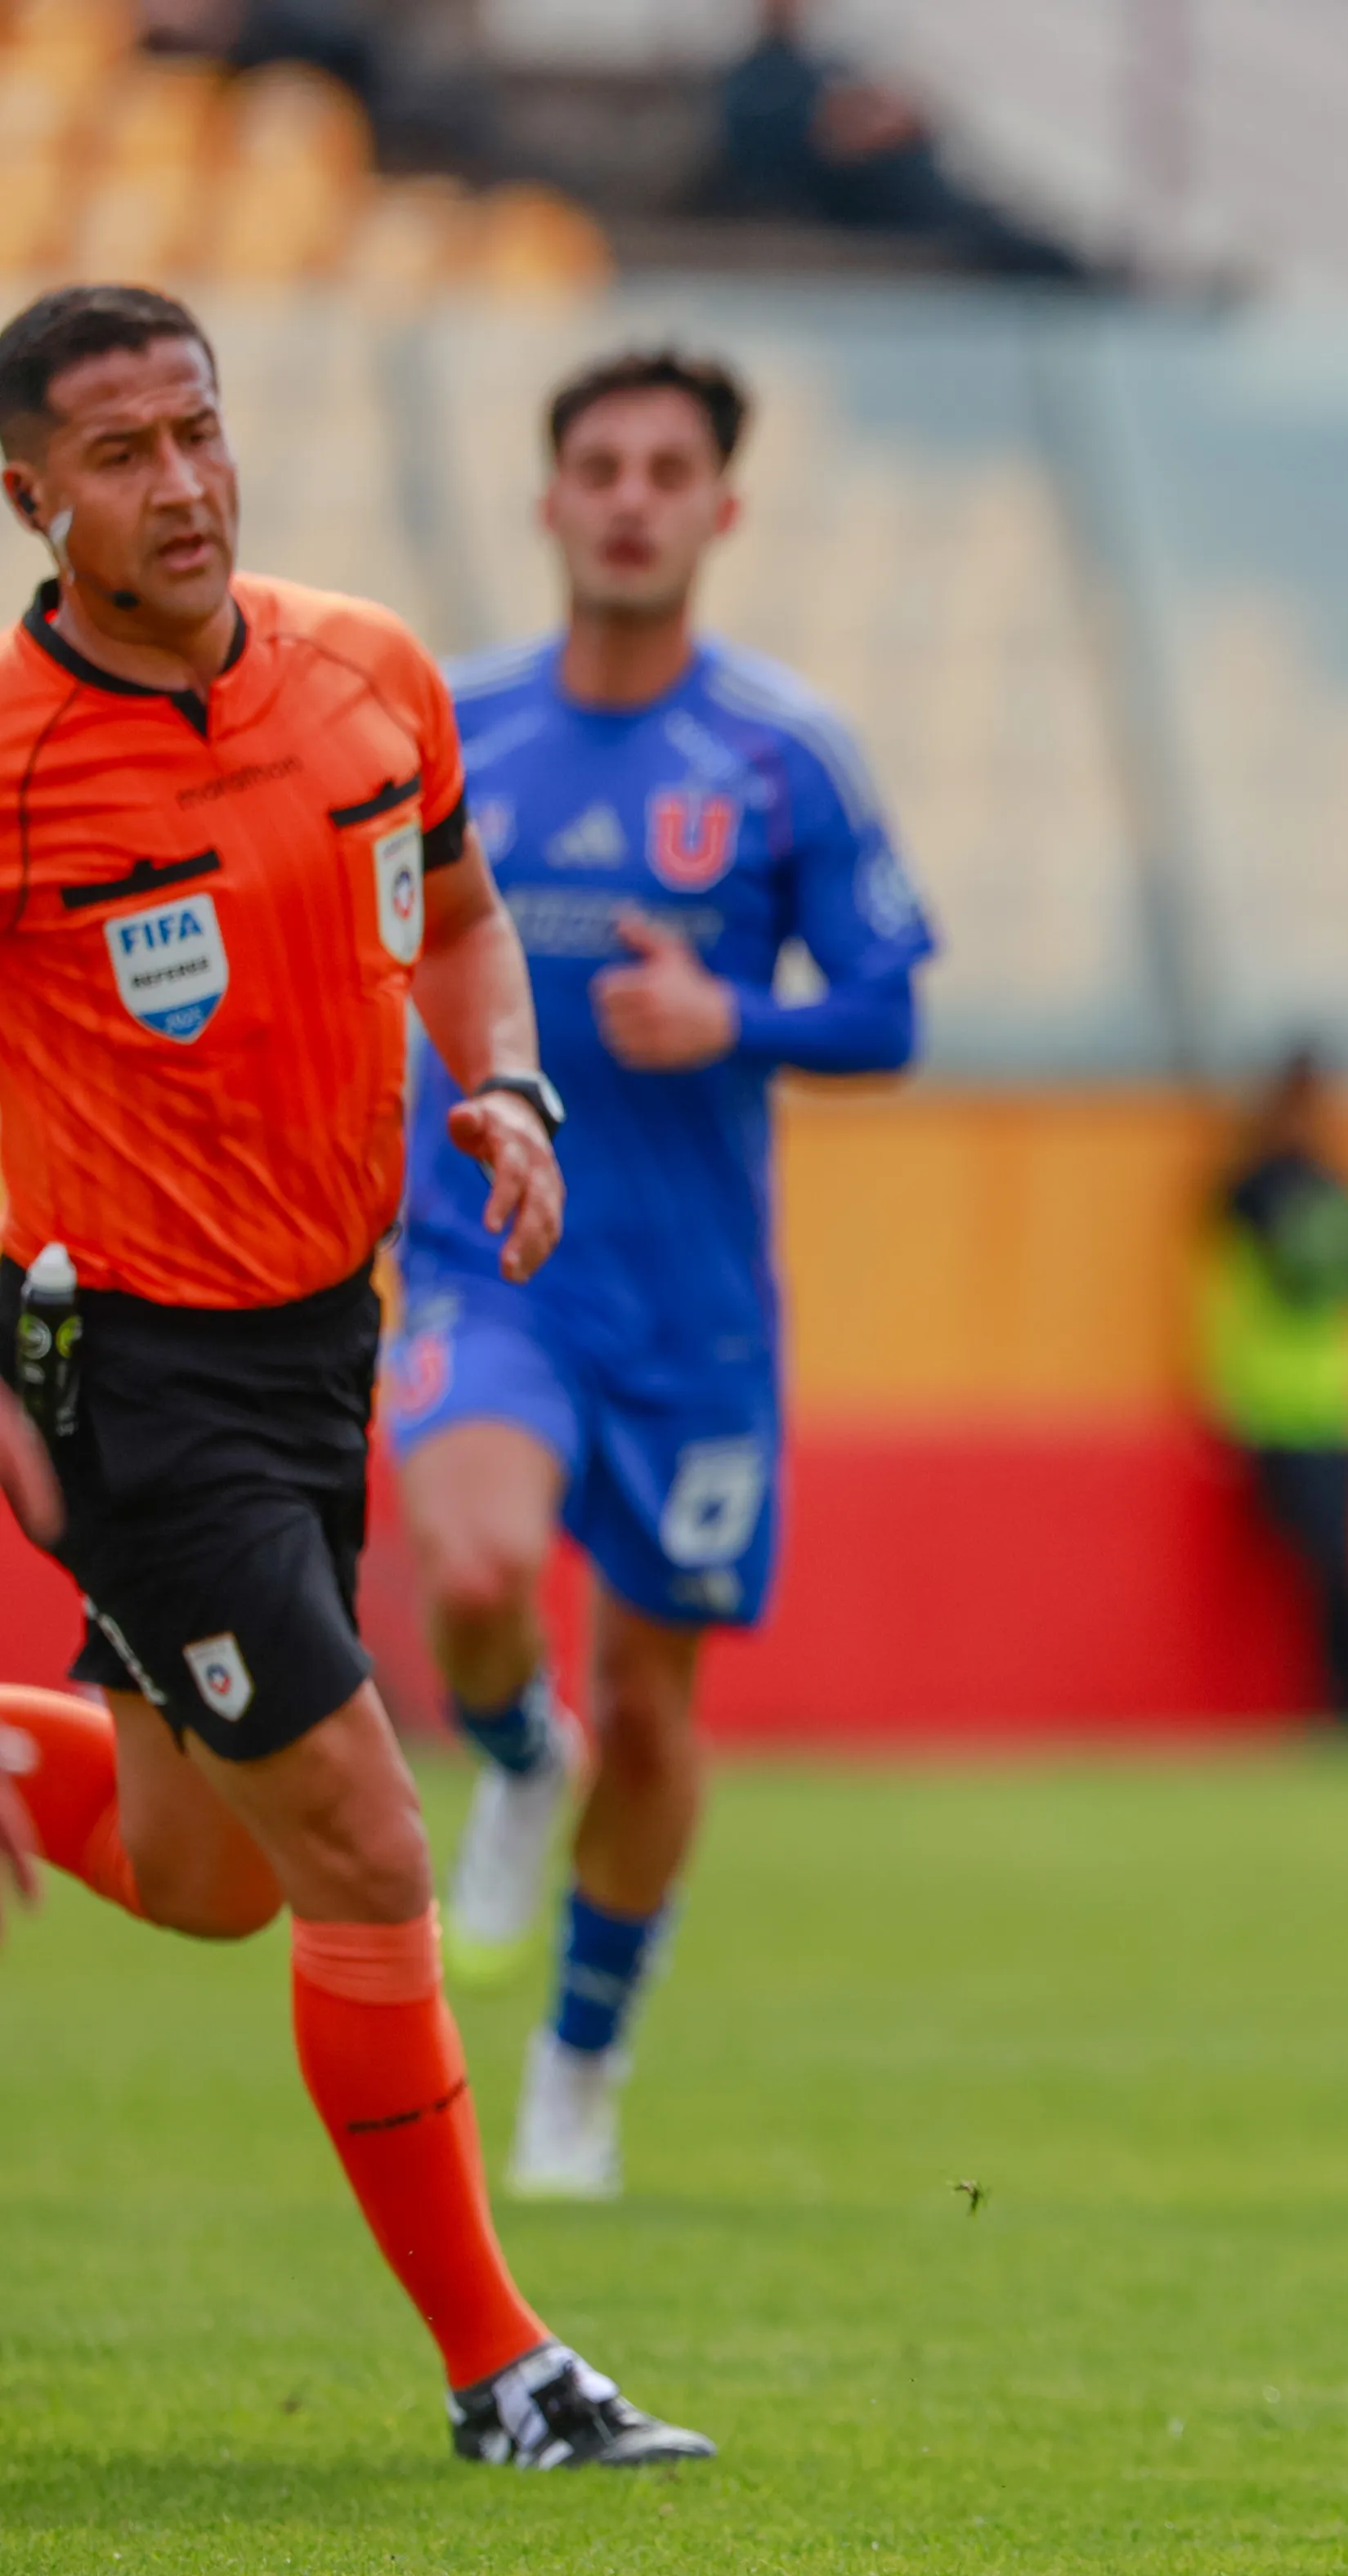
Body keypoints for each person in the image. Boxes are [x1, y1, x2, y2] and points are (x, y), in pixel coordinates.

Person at [0, 283, 702, 2465]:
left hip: (324, 1342)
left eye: (197, 430)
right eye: (120, 454)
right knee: (371, 1853)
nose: (184, 484)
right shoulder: (15, 762)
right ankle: (507, 2370)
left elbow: (465, 912)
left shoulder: (371, 672)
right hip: (129, 1372)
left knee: (220, 1877)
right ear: (32, 498)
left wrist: (503, 1090)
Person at [388, 345, 933, 2202]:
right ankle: (507, 1746)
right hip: (489, 1255)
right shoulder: (444, 730)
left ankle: (577, 2074)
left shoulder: (784, 753)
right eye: (599, 465)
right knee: (467, 1563)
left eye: (666, 467)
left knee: (658, 1698)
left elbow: (887, 1011)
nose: (630, 494)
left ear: (720, 510)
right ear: (549, 502)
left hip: (694, 1313)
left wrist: (738, 1016)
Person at [1200, 1046, 1348, 1726]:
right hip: (1274, 1404)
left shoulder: (1344, 1186)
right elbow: (1286, 1284)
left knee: (1337, 1562)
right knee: (1325, 1561)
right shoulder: (1254, 1190)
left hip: (1340, 1402)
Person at [710, 0, 1090, 279]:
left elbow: (897, 111)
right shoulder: (756, 81)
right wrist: (872, 124)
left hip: (929, 197)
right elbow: (818, 140)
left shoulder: (829, 64)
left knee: (1032, 245)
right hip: (879, 205)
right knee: (1006, 252)